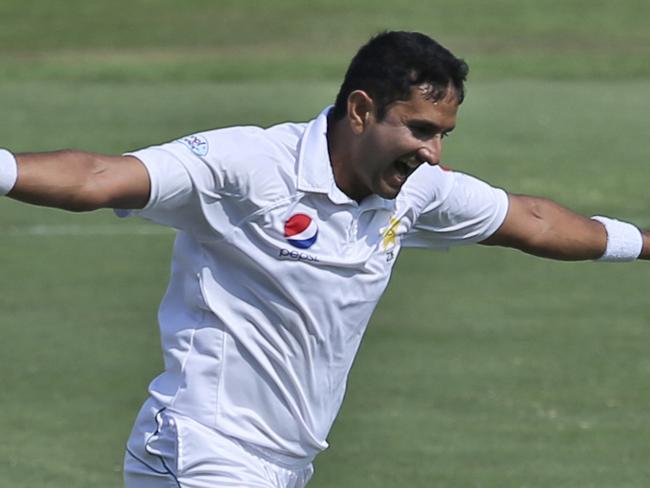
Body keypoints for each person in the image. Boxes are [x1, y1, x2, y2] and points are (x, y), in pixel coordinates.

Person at [0, 31, 646, 488]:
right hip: (202, 449)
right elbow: (96, 176)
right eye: (419, 129)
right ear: (362, 110)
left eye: (443, 134)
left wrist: (645, 243)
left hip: (286, 464)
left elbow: (531, 220)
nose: (434, 153)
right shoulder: (249, 165)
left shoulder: (414, 191)